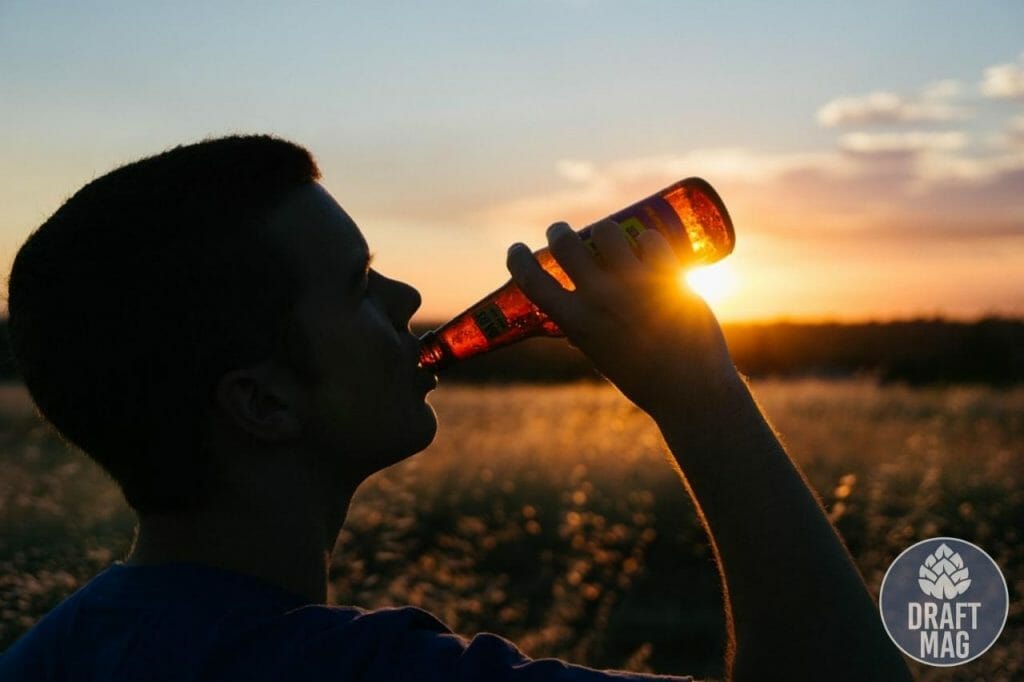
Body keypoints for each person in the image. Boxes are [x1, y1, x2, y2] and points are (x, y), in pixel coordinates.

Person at [0, 135, 911, 682]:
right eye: (357, 285)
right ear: (263, 403)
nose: (405, 295)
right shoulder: (355, 673)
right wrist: (702, 398)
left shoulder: (52, 654)